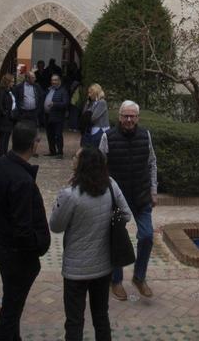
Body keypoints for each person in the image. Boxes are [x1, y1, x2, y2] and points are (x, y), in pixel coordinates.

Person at [49, 146, 131, 341]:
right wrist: (108, 218)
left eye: (76, 157)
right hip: (103, 266)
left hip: (75, 270)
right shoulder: (110, 185)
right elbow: (126, 215)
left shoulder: (70, 194)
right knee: (101, 316)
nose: (72, 159)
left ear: (82, 164)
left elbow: (55, 226)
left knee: (74, 321)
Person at [0, 121, 50, 341]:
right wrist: (37, 246)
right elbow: (23, 227)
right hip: (16, 255)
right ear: (34, 145)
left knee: (11, 304)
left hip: (1, 245)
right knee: (11, 308)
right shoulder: (22, 180)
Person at [99, 100, 157, 301]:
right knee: (117, 238)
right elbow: (99, 166)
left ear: (138, 118)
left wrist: (153, 190)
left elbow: (152, 163)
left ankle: (139, 277)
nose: (129, 119)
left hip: (141, 195)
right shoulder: (108, 137)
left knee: (147, 236)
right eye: (126, 116)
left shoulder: (145, 135)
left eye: (133, 116)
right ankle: (115, 280)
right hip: (117, 199)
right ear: (120, 117)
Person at [43, 74, 69, 157]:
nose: (53, 82)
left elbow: (65, 103)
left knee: (58, 135)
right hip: (48, 115)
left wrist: (54, 104)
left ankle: (60, 152)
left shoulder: (63, 91)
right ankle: (52, 151)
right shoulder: (49, 89)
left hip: (58, 116)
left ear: (59, 81)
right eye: (52, 80)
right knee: (49, 134)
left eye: (55, 80)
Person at [79, 84, 109, 149]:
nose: (89, 95)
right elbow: (84, 113)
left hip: (100, 129)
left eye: (90, 93)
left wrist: (87, 116)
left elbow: (93, 118)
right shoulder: (92, 103)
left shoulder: (102, 102)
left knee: (95, 148)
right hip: (92, 129)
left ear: (95, 92)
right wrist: (87, 103)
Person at [0, 72, 17, 156]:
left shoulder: (11, 91)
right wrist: (4, 113)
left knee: (7, 136)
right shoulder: (2, 91)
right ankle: (2, 154)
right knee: (3, 136)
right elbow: (0, 104)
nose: (13, 83)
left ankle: (5, 153)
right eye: (12, 81)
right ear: (7, 82)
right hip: (4, 118)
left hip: (10, 118)